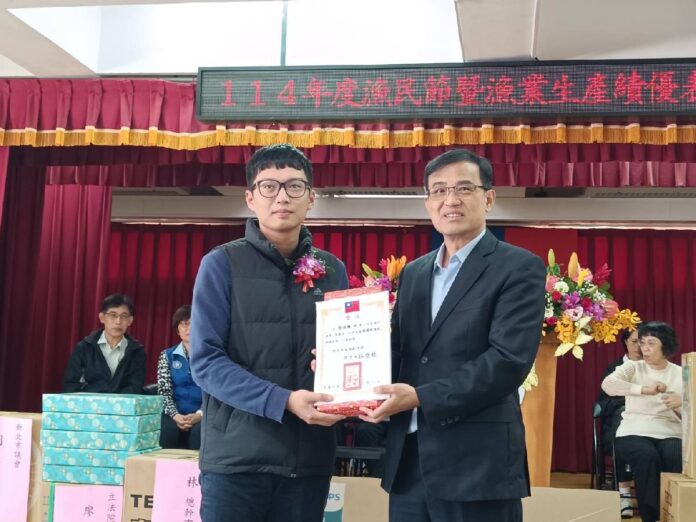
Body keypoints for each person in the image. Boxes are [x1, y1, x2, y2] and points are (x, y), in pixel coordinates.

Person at [359, 149, 546, 522]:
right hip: (410, 461)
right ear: (428, 202)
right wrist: (353, 374)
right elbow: (400, 352)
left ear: (488, 198)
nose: (451, 200)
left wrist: (421, 397)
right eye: (439, 190)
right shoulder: (414, 273)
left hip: (477, 464)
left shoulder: (518, 267)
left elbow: (507, 361)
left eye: (463, 188)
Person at [189, 144, 349, 522]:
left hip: (308, 461)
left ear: (311, 198)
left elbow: (344, 352)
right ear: (250, 198)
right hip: (237, 463)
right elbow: (206, 363)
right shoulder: (221, 264)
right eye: (269, 186)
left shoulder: (332, 270)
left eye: (294, 186)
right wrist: (283, 401)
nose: (282, 197)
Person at [601, 321, 682, 522]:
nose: (644, 348)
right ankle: (651, 517)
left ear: (666, 345)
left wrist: (682, 403)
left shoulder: (680, 373)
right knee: (647, 455)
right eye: (642, 342)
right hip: (633, 430)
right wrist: (643, 390)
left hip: (670, 430)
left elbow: (691, 409)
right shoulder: (633, 367)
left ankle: (673, 513)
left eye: (651, 343)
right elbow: (608, 385)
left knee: (674, 454)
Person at [596, 327, 642, 517]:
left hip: (647, 424)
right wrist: (631, 401)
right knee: (622, 426)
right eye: (634, 341)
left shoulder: (653, 367)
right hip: (619, 423)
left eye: (643, 342)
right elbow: (605, 402)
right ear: (625, 343)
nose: (639, 346)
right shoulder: (614, 369)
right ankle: (624, 495)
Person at [63, 294, 146, 394]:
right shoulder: (84, 348)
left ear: (130, 321)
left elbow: (135, 387)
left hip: (123, 403)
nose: (118, 321)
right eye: (113, 315)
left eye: (124, 316)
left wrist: (114, 399)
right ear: (102, 318)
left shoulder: (137, 352)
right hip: (89, 402)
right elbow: (70, 386)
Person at [157, 305, 202, 450]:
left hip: (202, 413)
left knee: (200, 433)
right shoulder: (166, 356)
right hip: (173, 413)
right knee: (167, 431)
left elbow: (214, 393)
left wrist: (199, 415)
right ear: (178, 329)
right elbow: (164, 392)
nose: (189, 328)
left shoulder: (210, 357)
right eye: (184, 324)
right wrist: (175, 415)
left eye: (194, 323)